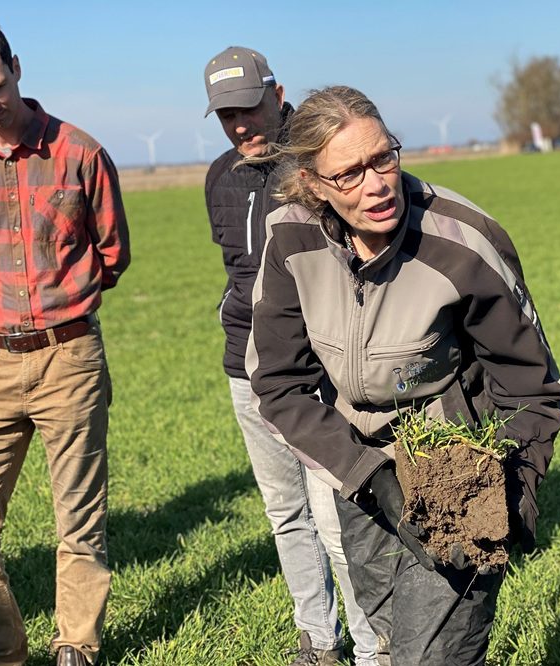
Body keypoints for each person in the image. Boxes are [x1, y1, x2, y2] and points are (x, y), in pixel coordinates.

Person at [245, 86, 560, 665]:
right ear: (314, 184)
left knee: (433, 658)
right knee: (392, 639)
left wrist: (513, 490)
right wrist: (369, 476)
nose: (376, 185)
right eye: (348, 174)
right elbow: (278, 384)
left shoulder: (462, 241)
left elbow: (531, 387)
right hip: (359, 471)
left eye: (383, 158)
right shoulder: (289, 239)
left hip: (457, 474)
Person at [0, 14, 130, 666]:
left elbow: (112, 253)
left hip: (69, 356)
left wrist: (57, 304)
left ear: (15, 65)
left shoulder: (81, 152)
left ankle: (77, 645)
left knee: (79, 522)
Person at [202, 47, 378, 666]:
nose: (241, 126)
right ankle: (319, 641)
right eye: (226, 115)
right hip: (244, 371)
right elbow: (235, 273)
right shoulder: (220, 176)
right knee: (285, 512)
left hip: (318, 376)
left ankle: (373, 646)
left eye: (249, 108)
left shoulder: (321, 169)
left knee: (339, 518)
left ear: (278, 97)